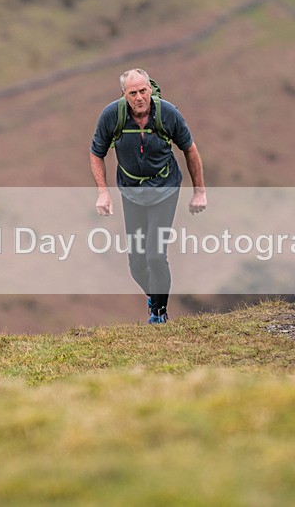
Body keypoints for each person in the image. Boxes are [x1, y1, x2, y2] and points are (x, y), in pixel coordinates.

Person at [89, 68, 207, 324]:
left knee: (155, 255)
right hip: (132, 193)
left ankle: (159, 314)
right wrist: (103, 192)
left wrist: (199, 192)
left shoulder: (167, 114)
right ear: (124, 95)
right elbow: (96, 152)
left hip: (165, 189)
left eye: (143, 91)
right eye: (133, 93)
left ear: (150, 89)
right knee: (136, 264)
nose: (140, 97)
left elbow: (190, 149)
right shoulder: (112, 116)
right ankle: (155, 298)